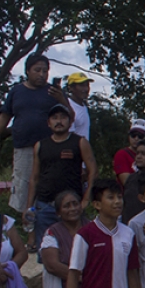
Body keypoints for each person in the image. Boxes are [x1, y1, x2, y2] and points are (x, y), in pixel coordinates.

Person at [0, 53, 69, 218]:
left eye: (45, 71)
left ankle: (48, 218)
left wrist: (62, 98)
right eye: (37, 70)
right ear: (28, 71)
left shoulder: (52, 92)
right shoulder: (17, 91)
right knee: (23, 184)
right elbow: (4, 116)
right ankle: (23, 220)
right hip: (23, 146)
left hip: (49, 148)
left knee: (48, 184)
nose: (42, 74)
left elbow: (69, 116)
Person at [27, 102, 96, 248]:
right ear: (48, 123)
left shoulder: (80, 142)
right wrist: (29, 208)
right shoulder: (40, 145)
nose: (59, 121)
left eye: (63, 117)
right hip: (45, 205)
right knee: (46, 251)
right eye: (55, 118)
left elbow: (93, 171)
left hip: (71, 207)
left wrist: (86, 199)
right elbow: (34, 177)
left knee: (75, 249)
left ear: (70, 121)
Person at [112, 118, 145, 186]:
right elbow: (127, 182)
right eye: (133, 135)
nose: (136, 138)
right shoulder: (121, 154)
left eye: (140, 136)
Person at [64, 71, 92, 140]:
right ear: (71, 88)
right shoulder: (68, 106)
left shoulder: (83, 106)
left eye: (87, 85)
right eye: (82, 85)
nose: (85, 89)